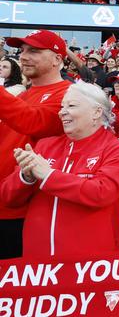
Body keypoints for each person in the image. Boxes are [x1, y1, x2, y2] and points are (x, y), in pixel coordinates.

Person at [0, 82, 119, 257]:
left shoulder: (118, 150)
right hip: (39, 267)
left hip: (92, 265)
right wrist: (25, 176)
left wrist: (49, 175)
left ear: (97, 112)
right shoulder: (45, 145)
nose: (62, 112)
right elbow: (8, 197)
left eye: (71, 106)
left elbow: (102, 192)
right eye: (62, 106)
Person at [0, 30, 71, 259]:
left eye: (34, 51)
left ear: (57, 59)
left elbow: (35, 122)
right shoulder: (22, 96)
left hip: (25, 209)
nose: (23, 56)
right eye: (22, 51)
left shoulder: (69, 94)